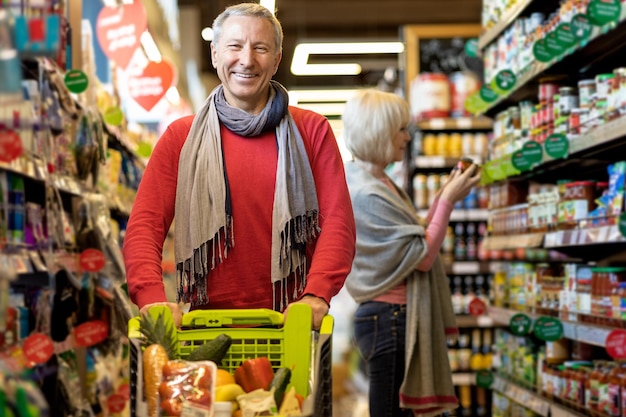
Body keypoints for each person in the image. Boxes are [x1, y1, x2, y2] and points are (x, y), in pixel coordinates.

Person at [122, 3, 356, 330]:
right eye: (234, 46)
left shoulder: (311, 131)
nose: (246, 60)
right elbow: (145, 225)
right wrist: (151, 296)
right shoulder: (181, 138)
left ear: (276, 60)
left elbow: (338, 222)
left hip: (293, 324)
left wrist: (316, 295)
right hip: (202, 327)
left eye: (261, 48)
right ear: (215, 54)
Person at [342, 89, 481, 417]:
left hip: (392, 317)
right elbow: (421, 256)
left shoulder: (378, 181)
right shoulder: (365, 192)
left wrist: (443, 197)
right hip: (388, 319)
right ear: (379, 131)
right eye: (401, 129)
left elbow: (412, 235)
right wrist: (446, 202)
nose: (407, 137)